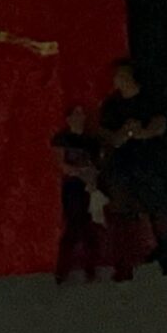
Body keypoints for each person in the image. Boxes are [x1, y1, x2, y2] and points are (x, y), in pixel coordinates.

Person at [98, 60, 167, 279]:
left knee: (158, 207)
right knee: (123, 212)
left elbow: (159, 124)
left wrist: (142, 132)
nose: (116, 80)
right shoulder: (111, 106)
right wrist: (124, 134)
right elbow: (108, 137)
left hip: (150, 162)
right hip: (123, 165)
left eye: (119, 76)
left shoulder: (150, 99)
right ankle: (126, 261)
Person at [52, 105, 109, 284]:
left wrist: (92, 179)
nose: (80, 116)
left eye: (82, 113)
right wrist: (79, 172)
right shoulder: (62, 138)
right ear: (68, 119)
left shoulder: (91, 141)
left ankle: (89, 267)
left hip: (89, 187)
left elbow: (98, 164)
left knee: (89, 225)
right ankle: (63, 268)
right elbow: (61, 164)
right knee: (74, 225)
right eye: (76, 113)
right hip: (73, 187)